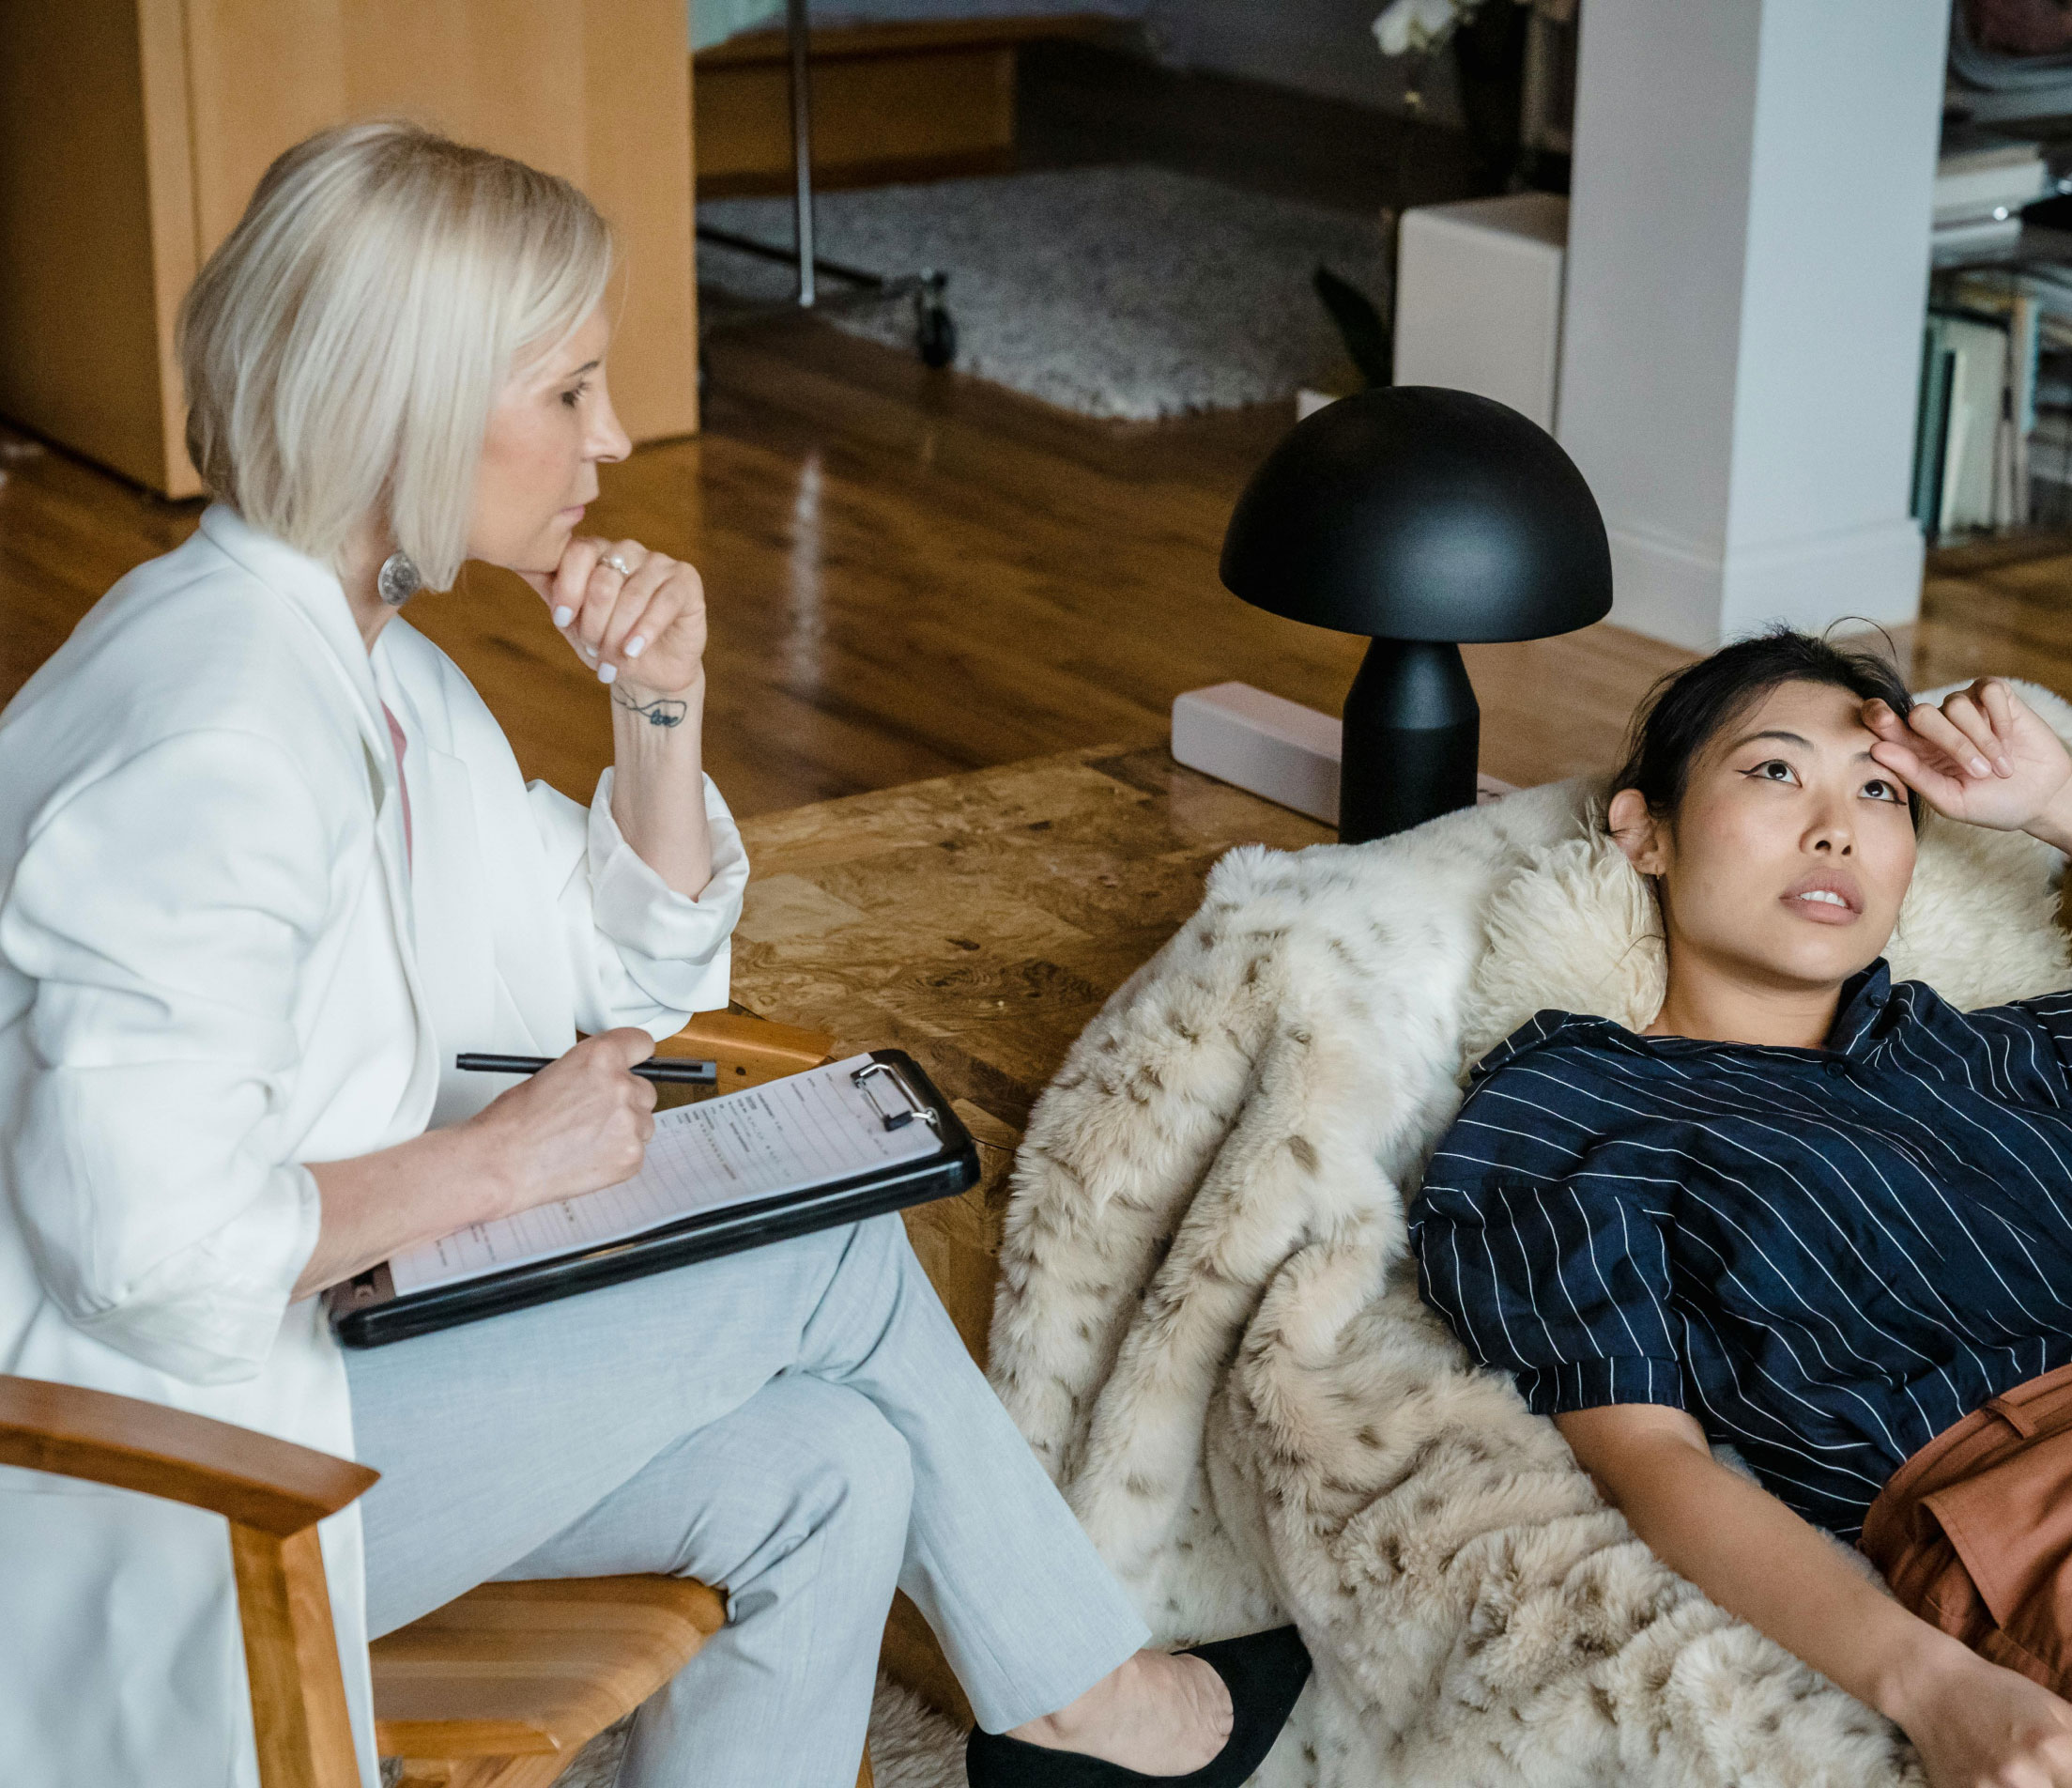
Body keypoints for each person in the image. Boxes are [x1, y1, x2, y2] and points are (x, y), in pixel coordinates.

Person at [0, 122, 1306, 1788]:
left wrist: (659, 707)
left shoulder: (374, 674)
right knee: (827, 1256)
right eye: (569, 390)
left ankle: (1068, 1700)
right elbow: (146, 1248)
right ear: (407, 403)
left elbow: (633, 988)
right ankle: (1087, 1707)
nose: (613, 437)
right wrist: (495, 1165)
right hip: (177, 1484)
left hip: (318, 1371)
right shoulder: (222, 741)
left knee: (832, 1465)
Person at [1411, 630, 2072, 1788]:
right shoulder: (1574, 1105)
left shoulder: (1980, 1053)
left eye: (1879, 792)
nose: (1837, 828)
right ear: (1643, 830)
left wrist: (2061, 801)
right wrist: (1937, 1686)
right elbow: (1650, 1460)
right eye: (1775, 770)